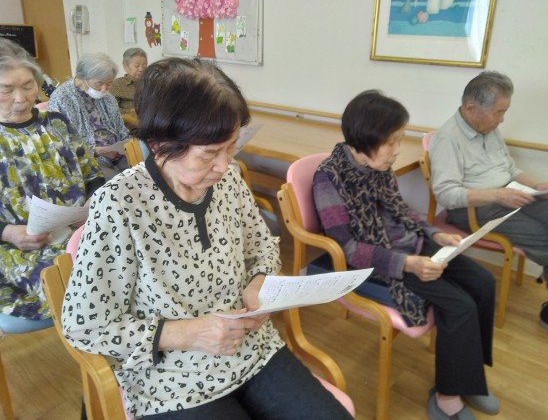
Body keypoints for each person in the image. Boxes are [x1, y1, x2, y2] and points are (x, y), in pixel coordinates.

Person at [61, 57, 352, 420]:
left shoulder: (228, 180)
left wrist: (259, 282)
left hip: (251, 349)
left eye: (231, 147)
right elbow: (85, 326)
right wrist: (188, 334)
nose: (224, 164)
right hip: (170, 376)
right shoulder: (120, 204)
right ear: (160, 143)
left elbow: (262, 247)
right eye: (210, 154)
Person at [313, 90, 498, 420]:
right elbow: (348, 249)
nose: (397, 150)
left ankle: (469, 379)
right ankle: (446, 396)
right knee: (460, 305)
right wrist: (407, 264)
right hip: (380, 262)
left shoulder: (379, 165)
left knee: (483, 282)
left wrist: (433, 233)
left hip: (410, 245)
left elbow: (402, 210)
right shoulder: (329, 178)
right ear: (365, 139)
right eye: (392, 142)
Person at [430, 70, 548, 349]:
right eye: (499, 112)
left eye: (504, 111)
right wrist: (498, 195)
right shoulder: (447, 139)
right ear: (471, 109)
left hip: (509, 197)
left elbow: (508, 168)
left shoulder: (488, 129)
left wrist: (535, 185)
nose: (502, 119)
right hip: (475, 210)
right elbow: (447, 195)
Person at [0, 38, 104, 330]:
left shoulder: (56, 122)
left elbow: (92, 173)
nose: (21, 98)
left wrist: (92, 203)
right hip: (17, 248)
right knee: (80, 279)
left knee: (129, 259)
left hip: (77, 231)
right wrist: (8, 232)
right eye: (6, 90)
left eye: (28, 86)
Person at [48, 52, 130, 180]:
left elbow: (120, 129)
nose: (104, 89)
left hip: (118, 153)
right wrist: (96, 151)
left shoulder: (108, 98)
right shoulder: (61, 99)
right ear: (83, 78)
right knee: (117, 183)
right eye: (99, 83)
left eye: (109, 83)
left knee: (145, 173)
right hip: (88, 159)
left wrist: (129, 146)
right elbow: (59, 143)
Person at [110, 47, 147, 129]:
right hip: (128, 128)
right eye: (137, 66)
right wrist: (129, 113)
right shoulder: (117, 84)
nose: (141, 69)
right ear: (126, 66)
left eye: (144, 65)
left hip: (150, 126)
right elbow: (110, 110)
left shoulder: (152, 83)